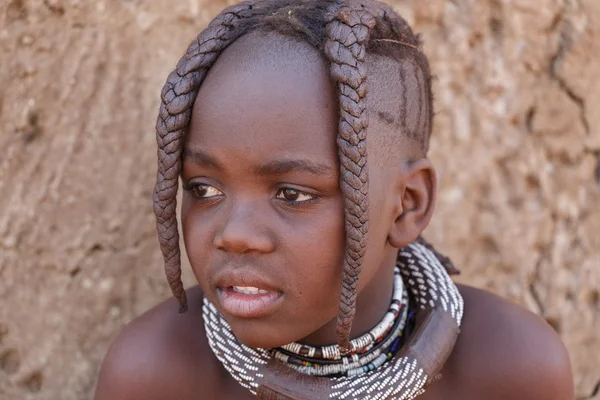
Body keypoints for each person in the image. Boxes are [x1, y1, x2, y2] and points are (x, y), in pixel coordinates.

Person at [95, 1, 574, 399]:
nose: (234, 234)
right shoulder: (157, 375)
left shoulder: (512, 369)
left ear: (407, 205)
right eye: (205, 189)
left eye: (292, 194)